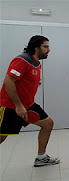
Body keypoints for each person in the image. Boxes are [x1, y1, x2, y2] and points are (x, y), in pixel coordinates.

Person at [0, 35, 60, 166]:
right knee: (1, 137)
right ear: (36, 47)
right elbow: (8, 81)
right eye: (45, 47)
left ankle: (41, 158)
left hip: (28, 105)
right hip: (11, 106)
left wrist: (23, 106)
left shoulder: (36, 63)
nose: (48, 50)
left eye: (48, 47)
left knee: (47, 124)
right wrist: (18, 106)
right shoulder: (22, 60)